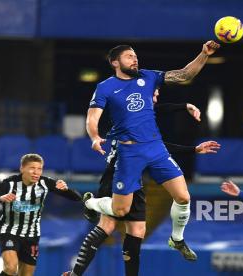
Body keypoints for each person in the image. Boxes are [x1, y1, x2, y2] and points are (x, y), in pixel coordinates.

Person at [82, 40, 220, 262]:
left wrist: (204, 54)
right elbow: (92, 117)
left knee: (184, 196)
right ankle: (90, 202)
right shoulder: (106, 87)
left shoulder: (148, 76)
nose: (135, 59)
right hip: (129, 153)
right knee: (120, 211)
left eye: (135, 55)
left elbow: (184, 75)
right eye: (129, 56)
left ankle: (176, 238)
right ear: (115, 62)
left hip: (155, 148)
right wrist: (95, 136)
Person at [62, 96, 220, 276]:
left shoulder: (142, 122)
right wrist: (183, 107)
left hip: (135, 179)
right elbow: (155, 133)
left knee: (137, 231)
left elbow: (157, 139)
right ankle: (77, 268)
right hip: (116, 175)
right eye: (152, 94)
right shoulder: (128, 119)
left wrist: (184, 108)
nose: (155, 98)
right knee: (108, 225)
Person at [0, 153, 82, 276]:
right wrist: (0, 198)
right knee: (11, 268)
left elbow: (77, 198)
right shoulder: (8, 184)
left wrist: (66, 190)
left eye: (39, 169)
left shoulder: (45, 183)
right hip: (10, 231)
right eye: (32, 168)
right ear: (22, 169)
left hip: (32, 235)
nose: (36, 172)